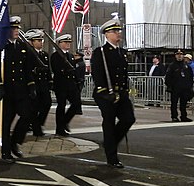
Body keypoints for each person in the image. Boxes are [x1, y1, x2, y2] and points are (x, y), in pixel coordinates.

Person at [0, 16, 36, 162]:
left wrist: (31, 84)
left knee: (27, 115)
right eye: (13, 28)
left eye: (17, 28)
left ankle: (15, 141)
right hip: (6, 91)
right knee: (6, 122)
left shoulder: (22, 47)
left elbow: (27, 68)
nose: (16, 31)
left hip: (20, 90)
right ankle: (6, 151)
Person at [91, 19, 136, 168]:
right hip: (105, 93)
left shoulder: (122, 53)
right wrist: (104, 91)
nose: (118, 34)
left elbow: (124, 74)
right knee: (109, 122)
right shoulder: (100, 52)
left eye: (119, 31)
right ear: (107, 34)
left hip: (121, 93)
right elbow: (97, 74)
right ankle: (112, 157)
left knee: (129, 119)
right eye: (115, 32)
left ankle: (110, 142)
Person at [50, 34, 81, 136]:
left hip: (71, 85)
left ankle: (65, 121)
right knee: (61, 106)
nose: (68, 44)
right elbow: (57, 70)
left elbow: (74, 70)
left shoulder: (71, 56)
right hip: (61, 85)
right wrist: (66, 70)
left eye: (69, 42)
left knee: (76, 104)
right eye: (65, 42)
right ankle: (59, 129)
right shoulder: (55, 56)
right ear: (59, 44)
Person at [24, 29, 52, 137]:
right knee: (34, 107)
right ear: (31, 42)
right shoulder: (28, 54)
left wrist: (50, 80)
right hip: (34, 84)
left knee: (47, 104)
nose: (40, 42)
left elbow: (48, 69)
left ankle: (37, 123)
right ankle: (36, 129)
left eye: (41, 40)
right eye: (38, 40)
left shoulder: (44, 54)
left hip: (43, 84)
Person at [165, 49, 194, 122]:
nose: (179, 56)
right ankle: (174, 116)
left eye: (181, 54)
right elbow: (168, 77)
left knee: (183, 104)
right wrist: (170, 86)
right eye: (178, 54)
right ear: (175, 56)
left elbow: (190, 77)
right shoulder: (172, 66)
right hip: (175, 88)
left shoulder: (187, 66)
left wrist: (189, 87)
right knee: (174, 103)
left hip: (184, 89)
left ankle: (184, 116)